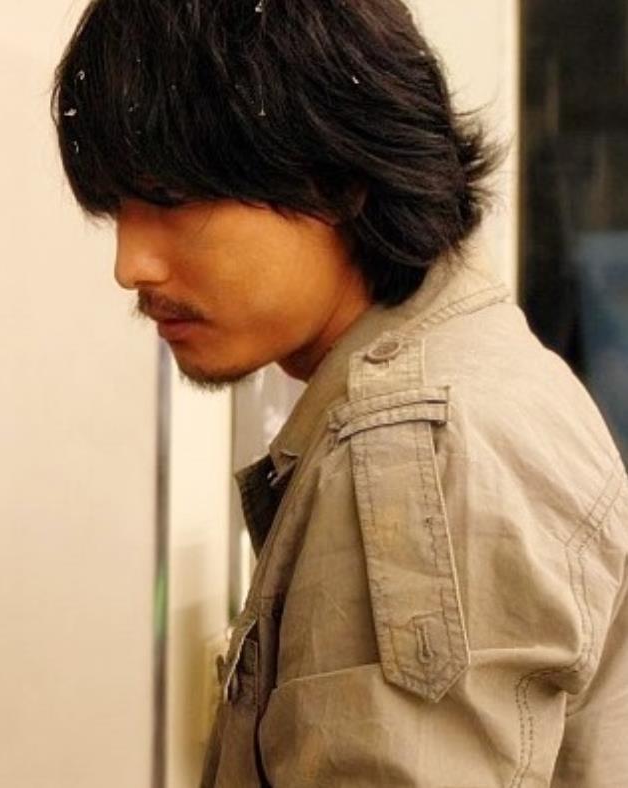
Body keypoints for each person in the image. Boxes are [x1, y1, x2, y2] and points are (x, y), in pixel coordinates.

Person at [52, 1, 627, 785]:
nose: (131, 264)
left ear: (337, 177)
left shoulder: (409, 447)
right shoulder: (484, 370)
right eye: (115, 208)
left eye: (169, 197)